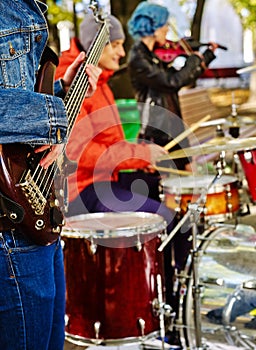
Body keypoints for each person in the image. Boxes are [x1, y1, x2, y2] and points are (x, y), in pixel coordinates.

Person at [55, 12, 184, 316]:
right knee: (160, 217)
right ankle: (151, 308)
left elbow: (108, 144)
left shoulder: (101, 80)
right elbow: (75, 154)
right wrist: (138, 156)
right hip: (78, 190)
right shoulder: (74, 81)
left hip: (101, 179)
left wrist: (143, 152)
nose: (122, 53)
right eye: (115, 44)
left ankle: (166, 298)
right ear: (95, 45)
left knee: (167, 202)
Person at [0, 2, 101, 349]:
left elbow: (17, 96)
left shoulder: (29, 6)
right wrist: (51, 120)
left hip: (35, 215)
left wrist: (62, 89)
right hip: (9, 228)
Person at [127, 1, 219, 172]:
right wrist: (193, 61)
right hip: (157, 132)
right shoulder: (139, 58)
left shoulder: (154, 54)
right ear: (154, 27)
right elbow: (172, 82)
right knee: (167, 190)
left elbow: (180, 79)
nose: (168, 29)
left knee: (190, 180)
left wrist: (205, 58)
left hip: (174, 126)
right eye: (165, 25)